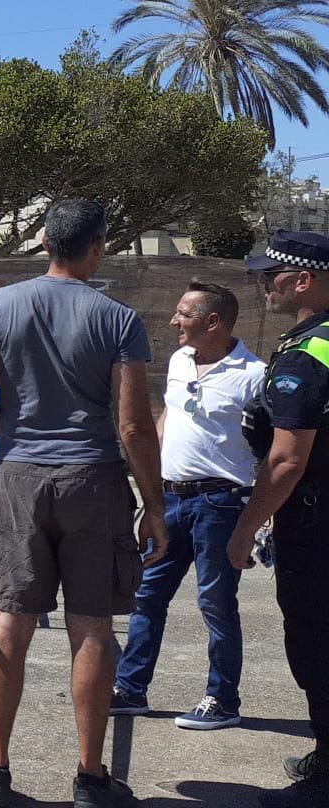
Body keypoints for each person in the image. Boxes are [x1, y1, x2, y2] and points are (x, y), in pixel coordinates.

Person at [0, 198, 168, 808]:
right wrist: (153, 507)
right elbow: (132, 427)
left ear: (46, 242)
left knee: (10, 619)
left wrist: (11, 435)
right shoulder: (118, 318)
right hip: (93, 478)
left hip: (22, 477)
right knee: (93, 625)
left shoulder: (0, 304)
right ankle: (91, 775)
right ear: (99, 246)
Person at [111, 282, 263, 731]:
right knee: (145, 593)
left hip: (221, 503)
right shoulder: (179, 361)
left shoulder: (253, 375)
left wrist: (259, 519)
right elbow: (167, 415)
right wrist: (151, 488)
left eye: (183, 314)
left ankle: (222, 699)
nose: (174, 322)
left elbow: (268, 448)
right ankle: (130, 689)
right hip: (171, 499)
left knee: (215, 602)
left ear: (212, 322)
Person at [227, 231, 329, 807]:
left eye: (272, 275)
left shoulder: (305, 353)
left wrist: (246, 527)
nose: (264, 284)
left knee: (315, 645)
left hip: (316, 525)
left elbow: (287, 460)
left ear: (304, 279)